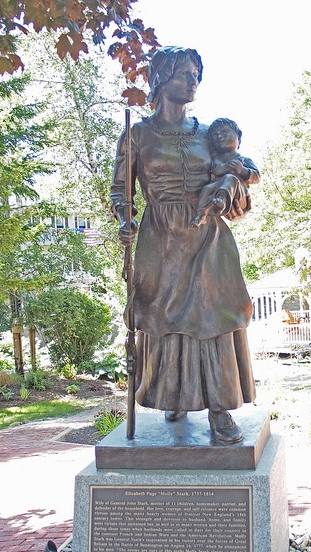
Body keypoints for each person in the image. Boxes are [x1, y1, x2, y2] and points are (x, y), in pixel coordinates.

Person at [111, 46, 257, 444]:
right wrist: (125, 219)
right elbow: (121, 192)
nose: (192, 81)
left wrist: (230, 186)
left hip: (207, 238)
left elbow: (237, 173)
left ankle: (220, 409)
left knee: (213, 318)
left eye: (196, 74)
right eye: (183, 74)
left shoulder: (207, 134)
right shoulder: (137, 134)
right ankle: (174, 395)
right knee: (164, 319)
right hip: (159, 239)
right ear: (160, 79)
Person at [190, 117, 260, 227]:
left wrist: (242, 170)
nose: (219, 137)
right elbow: (215, 170)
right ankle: (201, 214)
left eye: (224, 132)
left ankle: (221, 200)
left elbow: (256, 177)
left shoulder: (243, 160)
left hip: (238, 192)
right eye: (215, 135)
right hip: (215, 188)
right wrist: (225, 167)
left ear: (238, 136)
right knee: (207, 189)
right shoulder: (214, 159)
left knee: (230, 179)